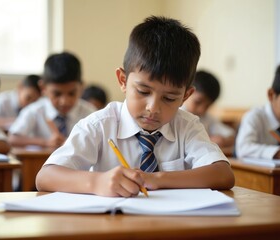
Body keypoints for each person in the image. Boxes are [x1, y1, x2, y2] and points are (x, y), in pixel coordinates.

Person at [36, 16, 235, 197]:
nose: (153, 108)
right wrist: (97, 182)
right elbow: (45, 177)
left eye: (169, 98)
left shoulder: (187, 126)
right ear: (123, 80)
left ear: (185, 96)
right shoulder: (100, 125)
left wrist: (156, 179)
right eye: (143, 91)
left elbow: (223, 174)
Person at [8, 52, 96, 148]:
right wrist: (45, 142)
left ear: (81, 87)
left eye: (71, 93)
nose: (64, 101)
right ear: (43, 88)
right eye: (57, 94)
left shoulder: (90, 112)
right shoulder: (34, 111)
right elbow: (12, 138)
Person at [182, 70, 235, 148]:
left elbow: (231, 135)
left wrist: (222, 141)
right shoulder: (176, 115)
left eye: (207, 106)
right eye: (198, 102)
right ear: (187, 93)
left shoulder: (207, 118)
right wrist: (206, 141)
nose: (201, 109)